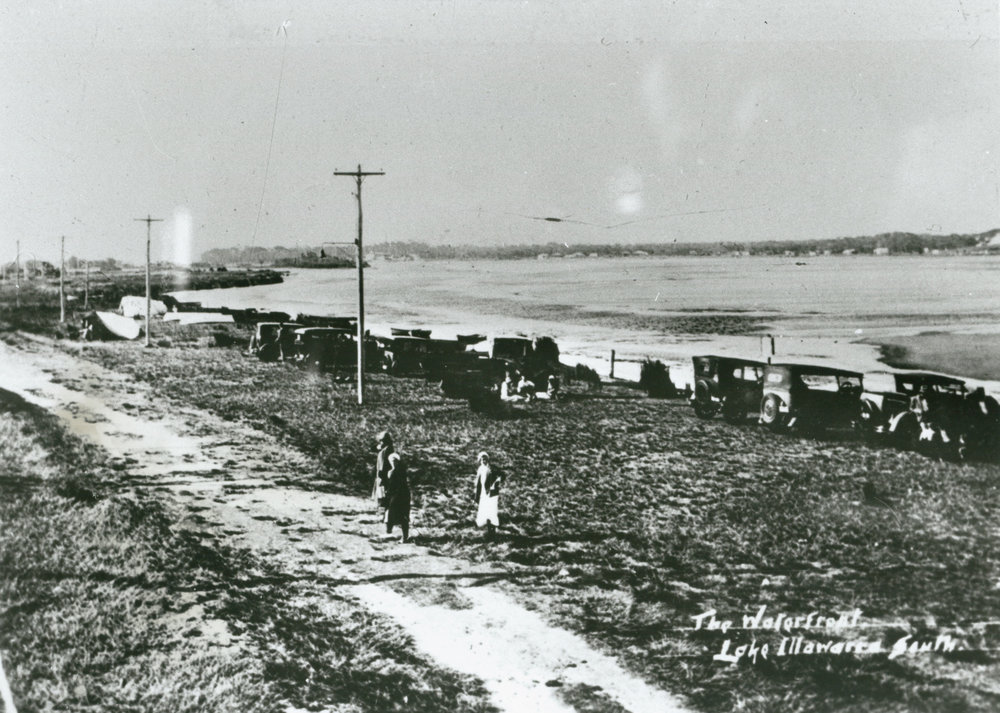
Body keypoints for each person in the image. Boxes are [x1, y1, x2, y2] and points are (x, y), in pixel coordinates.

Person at [473, 451, 503, 539]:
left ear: (488, 460)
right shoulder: (480, 469)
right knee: (485, 512)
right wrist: (477, 497)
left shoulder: (492, 469)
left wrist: (497, 482)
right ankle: (489, 532)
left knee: (491, 512)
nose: (484, 461)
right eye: (482, 460)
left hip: (492, 495)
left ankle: (492, 532)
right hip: (483, 494)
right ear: (480, 461)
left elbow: (502, 475)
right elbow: (478, 484)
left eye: (485, 459)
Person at [384, 452, 411, 542]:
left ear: (397, 461)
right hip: (396, 495)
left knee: (402, 515)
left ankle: (404, 537)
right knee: (391, 513)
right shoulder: (393, 471)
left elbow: (399, 484)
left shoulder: (399, 471)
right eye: (391, 461)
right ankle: (390, 532)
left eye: (394, 461)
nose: (392, 462)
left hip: (401, 496)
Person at [372, 431, 395, 516]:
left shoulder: (387, 450)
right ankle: (383, 512)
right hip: (383, 475)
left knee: (383, 494)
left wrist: (381, 474)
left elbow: (384, 464)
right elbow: (373, 448)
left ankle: (384, 513)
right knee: (382, 494)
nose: (381, 442)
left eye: (382, 440)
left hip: (384, 476)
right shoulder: (386, 449)